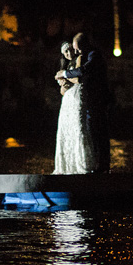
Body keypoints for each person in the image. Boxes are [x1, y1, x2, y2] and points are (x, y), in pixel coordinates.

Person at [55, 32, 110, 173]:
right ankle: (97, 165)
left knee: (94, 131)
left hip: (94, 99)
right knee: (91, 130)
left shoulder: (92, 55)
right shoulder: (81, 57)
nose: (76, 51)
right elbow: (65, 88)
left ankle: (100, 165)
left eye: (76, 48)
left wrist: (65, 75)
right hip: (75, 100)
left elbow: (82, 74)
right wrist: (63, 81)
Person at [53, 41, 93, 175]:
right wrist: (63, 85)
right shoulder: (66, 65)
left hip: (77, 96)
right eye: (66, 52)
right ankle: (67, 165)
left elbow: (80, 79)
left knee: (78, 127)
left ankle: (81, 163)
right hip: (68, 99)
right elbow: (62, 91)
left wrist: (65, 77)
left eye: (70, 50)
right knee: (66, 129)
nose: (69, 53)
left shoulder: (79, 60)